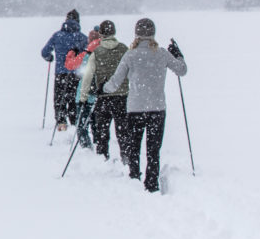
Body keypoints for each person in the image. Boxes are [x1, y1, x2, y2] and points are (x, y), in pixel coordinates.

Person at [103, 18, 187, 193]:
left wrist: (103, 87)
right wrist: (178, 54)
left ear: (137, 34)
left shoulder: (130, 55)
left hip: (135, 109)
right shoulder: (162, 54)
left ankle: (134, 178)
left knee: (134, 147)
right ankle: (152, 183)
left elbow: (115, 82)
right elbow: (182, 70)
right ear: (153, 34)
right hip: (157, 109)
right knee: (153, 149)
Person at [84, 20, 130, 162]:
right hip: (122, 96)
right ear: (114, 32)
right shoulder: (124, 49)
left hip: (103, 97)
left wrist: (84, 96)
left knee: (102, 131)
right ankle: (126, 157)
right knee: (122, 130)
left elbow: (88, 75)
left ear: (101, 34)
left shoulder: (97, 52)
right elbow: (130, 70)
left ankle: (102, 156)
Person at [41, 9, 88, 131]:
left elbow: (45, 52)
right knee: (73, 99)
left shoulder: (57, 35)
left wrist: (49, 57)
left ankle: (61, 122)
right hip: (76, 74)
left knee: (59, 99)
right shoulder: (82, 38)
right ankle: (74, 122)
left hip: (60, 73)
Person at [65, 26, 102, 148]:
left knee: (81, 123)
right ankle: (99, 144)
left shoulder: (86, 55)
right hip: (101, 95)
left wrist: (71, 53)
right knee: (97, 123)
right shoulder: (104, 53)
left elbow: (69, 65)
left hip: (84, 95)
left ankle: (86, 146)